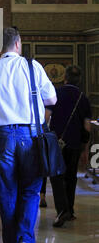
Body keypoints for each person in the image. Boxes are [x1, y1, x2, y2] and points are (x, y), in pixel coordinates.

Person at [0, 27, 57, 243]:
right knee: (31, 189)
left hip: (1, 136)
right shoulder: (33, 66)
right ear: (18, 43)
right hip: (30, 135)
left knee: (7, 191)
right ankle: (26, 239)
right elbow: (52, 98)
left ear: (0, 46)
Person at [47, 65, 92, 228]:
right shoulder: (83, 98)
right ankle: (70, 211)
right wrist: (85, 150)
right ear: (79, 80)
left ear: (64, 78)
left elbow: (46, 117)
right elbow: (87, 127)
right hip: (74, 143)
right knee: (71, 176)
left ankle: (62, 210)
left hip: (56, 141)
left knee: (56, 176)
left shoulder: (55, 94)